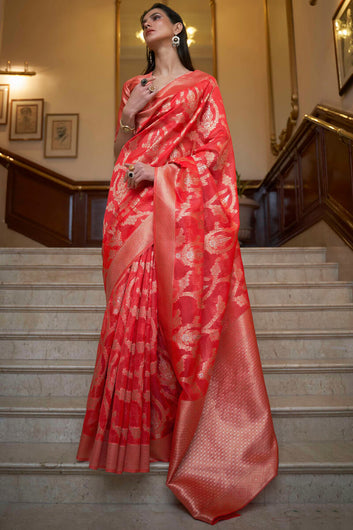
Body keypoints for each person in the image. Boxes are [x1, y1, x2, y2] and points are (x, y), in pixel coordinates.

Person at [76, 3, 278, 524]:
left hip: (170, 205)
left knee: (170, 316)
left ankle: (183, 439)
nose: (147, 22)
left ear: (178, 28)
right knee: (130, 315)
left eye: (157, 16)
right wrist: (127, 115)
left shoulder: (203, 85)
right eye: (142, 19)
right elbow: (120, 152)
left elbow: (215, 154)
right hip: (130, 209)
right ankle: (128, 438)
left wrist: (162, 171)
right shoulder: (133, 87)